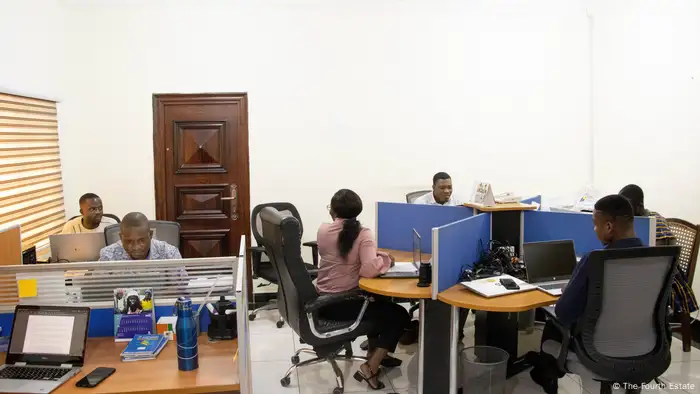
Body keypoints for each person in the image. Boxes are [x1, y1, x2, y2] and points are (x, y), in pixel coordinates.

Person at [530, 195, 644, 394]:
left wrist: (570, 292)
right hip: (643, 347)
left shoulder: (595, 261)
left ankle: (546, 375)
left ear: (609, 227)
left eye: (595, 224)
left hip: (598, 351)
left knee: (553, 323)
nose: (594, 230)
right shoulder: (658, 259)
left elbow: (564, 313)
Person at [316, 189, 411, 390]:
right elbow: (368, 269)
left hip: (322, 300)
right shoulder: (363, 233)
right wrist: (385, 259)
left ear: (332, 211)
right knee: (399, 314)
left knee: (380, 301)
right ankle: (371, 365)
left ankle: (375, 352)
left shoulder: (323, 230)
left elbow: (345, 254)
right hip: (345, 302)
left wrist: (373, 253)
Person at [619, 184, 698, 326]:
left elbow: (661, 260)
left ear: (639, 205)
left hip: (665, 274)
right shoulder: (633, 220)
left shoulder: (656, 223)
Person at [99, 212, 181, 261]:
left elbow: (181, 285)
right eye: (129, 241)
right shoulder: (108, 255)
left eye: (141, 240)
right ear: (121, 237)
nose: (136, 247)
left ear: (151, 235)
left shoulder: (169, 253)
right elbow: (98, 287)